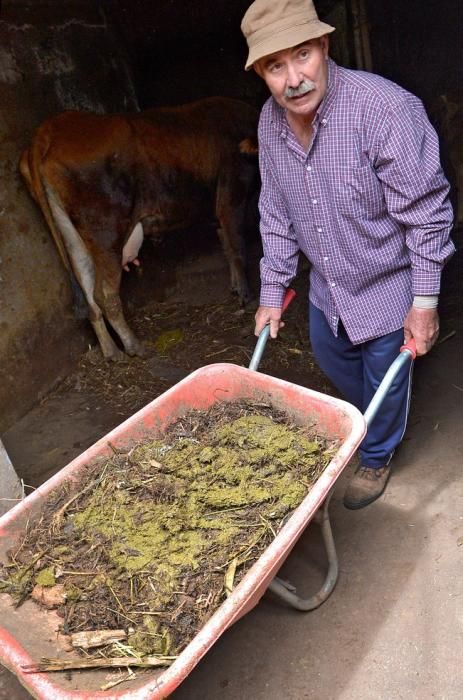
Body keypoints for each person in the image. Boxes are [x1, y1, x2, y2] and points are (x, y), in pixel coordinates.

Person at [241, 0, 455, 509]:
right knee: (333, 362)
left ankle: (376, 457)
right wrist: (273, 288)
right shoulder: (270, 124)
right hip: (328, 289)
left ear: (325, 46)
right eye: (275, 66)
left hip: (387, 285)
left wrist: (424, 304)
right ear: (260, 73)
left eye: (303, 55)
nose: (294, 79)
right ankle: (369, 419)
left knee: (385, 379)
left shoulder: (385, 111)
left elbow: (428, 214)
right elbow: (274, 208)